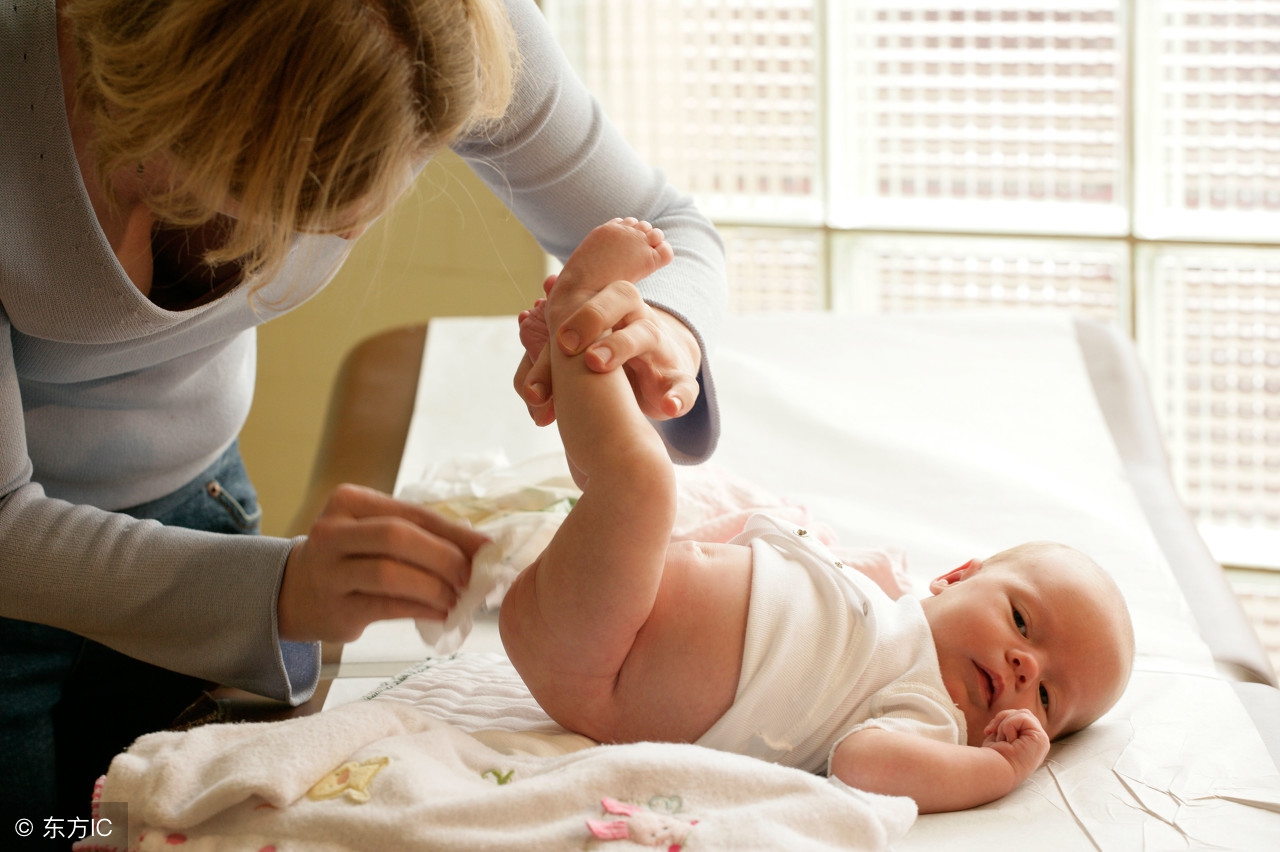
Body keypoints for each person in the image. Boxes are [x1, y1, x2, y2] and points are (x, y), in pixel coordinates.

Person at [0, 0, 726, 825]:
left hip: (200, 511)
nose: (351, 232)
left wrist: (663, 324)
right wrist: (276, 592)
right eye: (296, 207)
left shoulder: (447, 28)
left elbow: (671, 229)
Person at [501, 217, 1135, 814]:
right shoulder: (890, 614)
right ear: (958, 575)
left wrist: (999, 770)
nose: (1026, 667)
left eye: (1048, 697)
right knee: (622, 481)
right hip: (608, 603)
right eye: (1022, 620)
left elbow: (865, 764)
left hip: (603, 662)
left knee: (638, 481)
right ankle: (582, 354)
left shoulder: (930, 715)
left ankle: (578, 321)